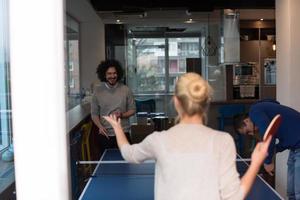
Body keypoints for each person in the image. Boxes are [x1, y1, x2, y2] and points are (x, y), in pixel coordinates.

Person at [104, 72, 271, 200]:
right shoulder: (223, 141)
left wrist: (117, 127)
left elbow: (128, 154)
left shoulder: (158, 140)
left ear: (176, 102)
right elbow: (234, 196)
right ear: (206, 103)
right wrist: (256, 162)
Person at [234, 99, 300, 200]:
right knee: (291, 193)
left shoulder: (254, 111)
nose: (251, 134)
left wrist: (268, 161)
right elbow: (285, 141)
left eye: (248, 132)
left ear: (246, 121)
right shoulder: (266, 112)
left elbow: (269, 136)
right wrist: (272, 152)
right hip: (295, 148)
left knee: (298, 192)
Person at [91, 59, 136, 154]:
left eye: (114, 73)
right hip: (106, 135)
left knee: (127, 165)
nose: (112, 76)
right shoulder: (97, 91)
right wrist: (100, 126)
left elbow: (133, 110)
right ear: (104, 75)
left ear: (118, 74)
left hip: (123, 132)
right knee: (106, 165)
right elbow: (94, 114)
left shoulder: (126, 90)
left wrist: (122, 114)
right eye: (109, 74)